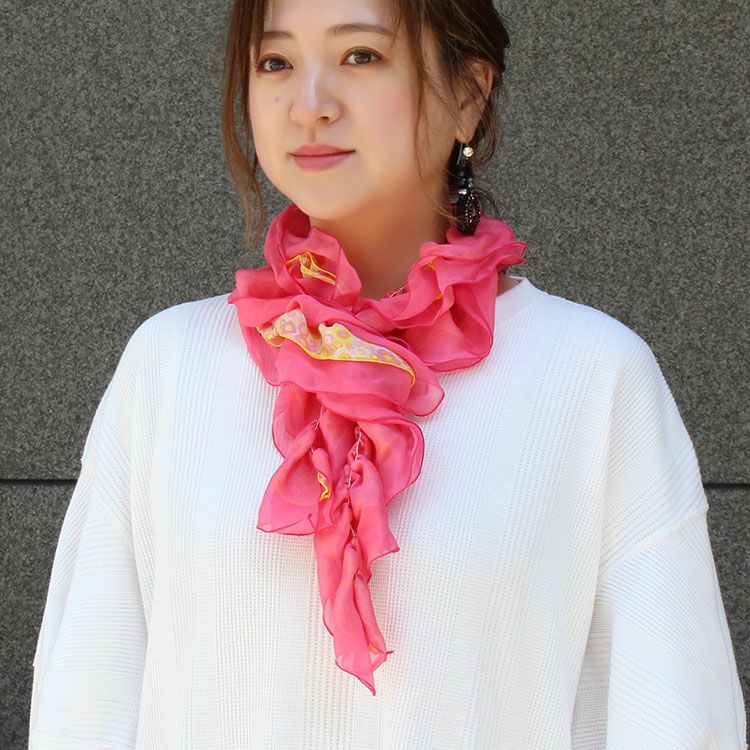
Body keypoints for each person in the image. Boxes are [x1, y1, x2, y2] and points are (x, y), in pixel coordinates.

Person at [29, 0, 747, 747]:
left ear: (467, 95)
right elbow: (87, 700)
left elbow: (672, 716)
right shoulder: (169, 366)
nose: (309, 104)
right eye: (275, 63)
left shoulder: (594, 376)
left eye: (361, 56)